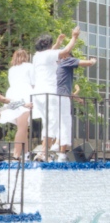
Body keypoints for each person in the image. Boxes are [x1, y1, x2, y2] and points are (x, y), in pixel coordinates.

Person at [31, 27, 79, 162]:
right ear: (48, 45)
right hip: (50, 92)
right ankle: (43, 153)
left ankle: (45, 151)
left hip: (38, 94)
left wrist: (57, 43)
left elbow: (52, 52)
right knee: (51, 122)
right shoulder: (47, 54)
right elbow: (66, 51)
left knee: (47, 122)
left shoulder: (36, 56)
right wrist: (74, 36)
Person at [54, 53, 97, 162]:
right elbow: (87, 63)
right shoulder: (66, 61)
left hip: (57, 97)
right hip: (62, 97)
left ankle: (56, 144)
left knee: (59, 122)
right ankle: (61, 152)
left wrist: (78, 98)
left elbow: (68, 92)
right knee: (65, 123)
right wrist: (92, 61)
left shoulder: (58, 67)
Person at [0, 49, 35, 159]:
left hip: (12, 94)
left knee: (22, 126)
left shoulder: (11, 69)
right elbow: (33, 82)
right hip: (25, 94)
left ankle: (26, 153)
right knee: (22, 127)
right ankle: (17, 154)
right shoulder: (29, 66)